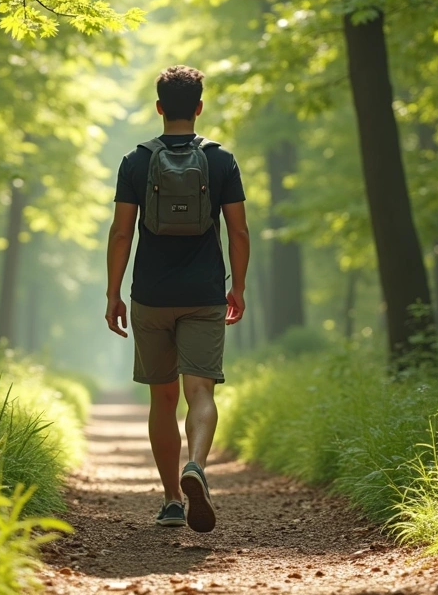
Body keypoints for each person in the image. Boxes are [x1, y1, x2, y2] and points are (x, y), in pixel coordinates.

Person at [104, 65, 250, 533]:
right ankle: (197, 467)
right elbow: (239, 230)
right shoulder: (221, 160)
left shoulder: (136, 161)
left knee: (162, 400)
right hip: (204, 292)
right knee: (200, 391)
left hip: (150, 293)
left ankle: (170, 499)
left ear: (160, 107)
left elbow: (122, 231)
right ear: (200, 107)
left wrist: (113, 292)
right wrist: (238, 287)